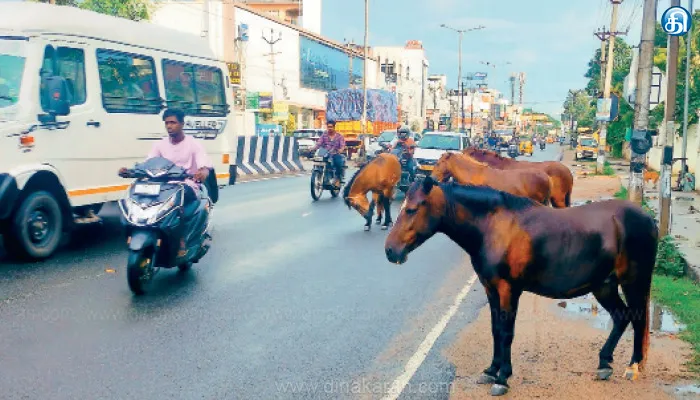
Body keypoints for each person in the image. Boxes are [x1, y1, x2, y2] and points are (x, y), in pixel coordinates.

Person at [118, 108, 213, 255]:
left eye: (173, 122)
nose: (169, 126)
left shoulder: (194, 144)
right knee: (139, 195)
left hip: (186, 184)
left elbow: (204, 166)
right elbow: (149, 163)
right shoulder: (160, 145)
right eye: (167, 123)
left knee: (178, 202)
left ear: (182, 124)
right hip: (161, 184)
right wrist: (130, 171)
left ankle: (181, 239)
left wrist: (203, 172)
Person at [312, 119, 346, 188]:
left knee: (339, 163)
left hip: (335, 153)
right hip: (325, 153)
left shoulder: (339, 136)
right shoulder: (324, 135)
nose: (329, 128)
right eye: (328, 127)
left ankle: (338, 179)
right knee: (317, 161)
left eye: (331, 127)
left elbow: (342, 145)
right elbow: (319, 143)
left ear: (334, 127)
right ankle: (322, 176)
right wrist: (313, 148)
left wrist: (341, 150)